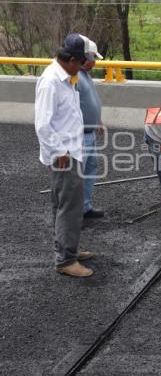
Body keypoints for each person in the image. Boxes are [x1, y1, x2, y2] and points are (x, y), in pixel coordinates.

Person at [35, 33, 98, 278]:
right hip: (64, 155)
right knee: (69, 207)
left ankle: (66, 248)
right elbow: (42, 124)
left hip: (71, 150)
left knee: (62, 205)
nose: (81, 68)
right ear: (70, 59)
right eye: (80, 63)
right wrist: (60, 150)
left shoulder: (66, 77)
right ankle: (65, 259)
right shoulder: (52, 82)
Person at [76, 39, 105, 219]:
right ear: (84, 56)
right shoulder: (74, 76)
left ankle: (85, 207)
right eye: (93, 57)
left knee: (90, 168)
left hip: (90, 132)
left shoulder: (84, 74)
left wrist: (97, 120)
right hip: (80, 135)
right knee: (77, 175)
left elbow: (88, 100)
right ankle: (74, 214)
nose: (95, 61)